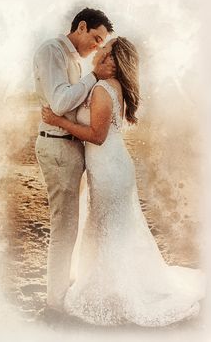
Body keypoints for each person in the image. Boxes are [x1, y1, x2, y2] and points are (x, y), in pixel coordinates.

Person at [41, 37, 206, 326]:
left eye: (104, 48)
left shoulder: (104, 90)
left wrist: (59, 122)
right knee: (109, 229)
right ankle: (111, 284)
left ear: (112, 61)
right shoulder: (100, 85)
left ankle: (122, 290)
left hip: (110, 170)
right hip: (108, 167)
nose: (99, 49)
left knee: (110, 230)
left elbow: (97, 136)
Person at [33, 7, 115, 316]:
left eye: (101, 43)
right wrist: (93, 76)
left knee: (70, 226)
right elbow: (61, 102)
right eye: (95, 38)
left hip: (69, 147)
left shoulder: (70, 59)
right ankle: (55, 303)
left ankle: (61, 292)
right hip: (57, 147)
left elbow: (71, 103)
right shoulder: (52, 51)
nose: (96, 47)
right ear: (81, 27)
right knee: (64, 229)